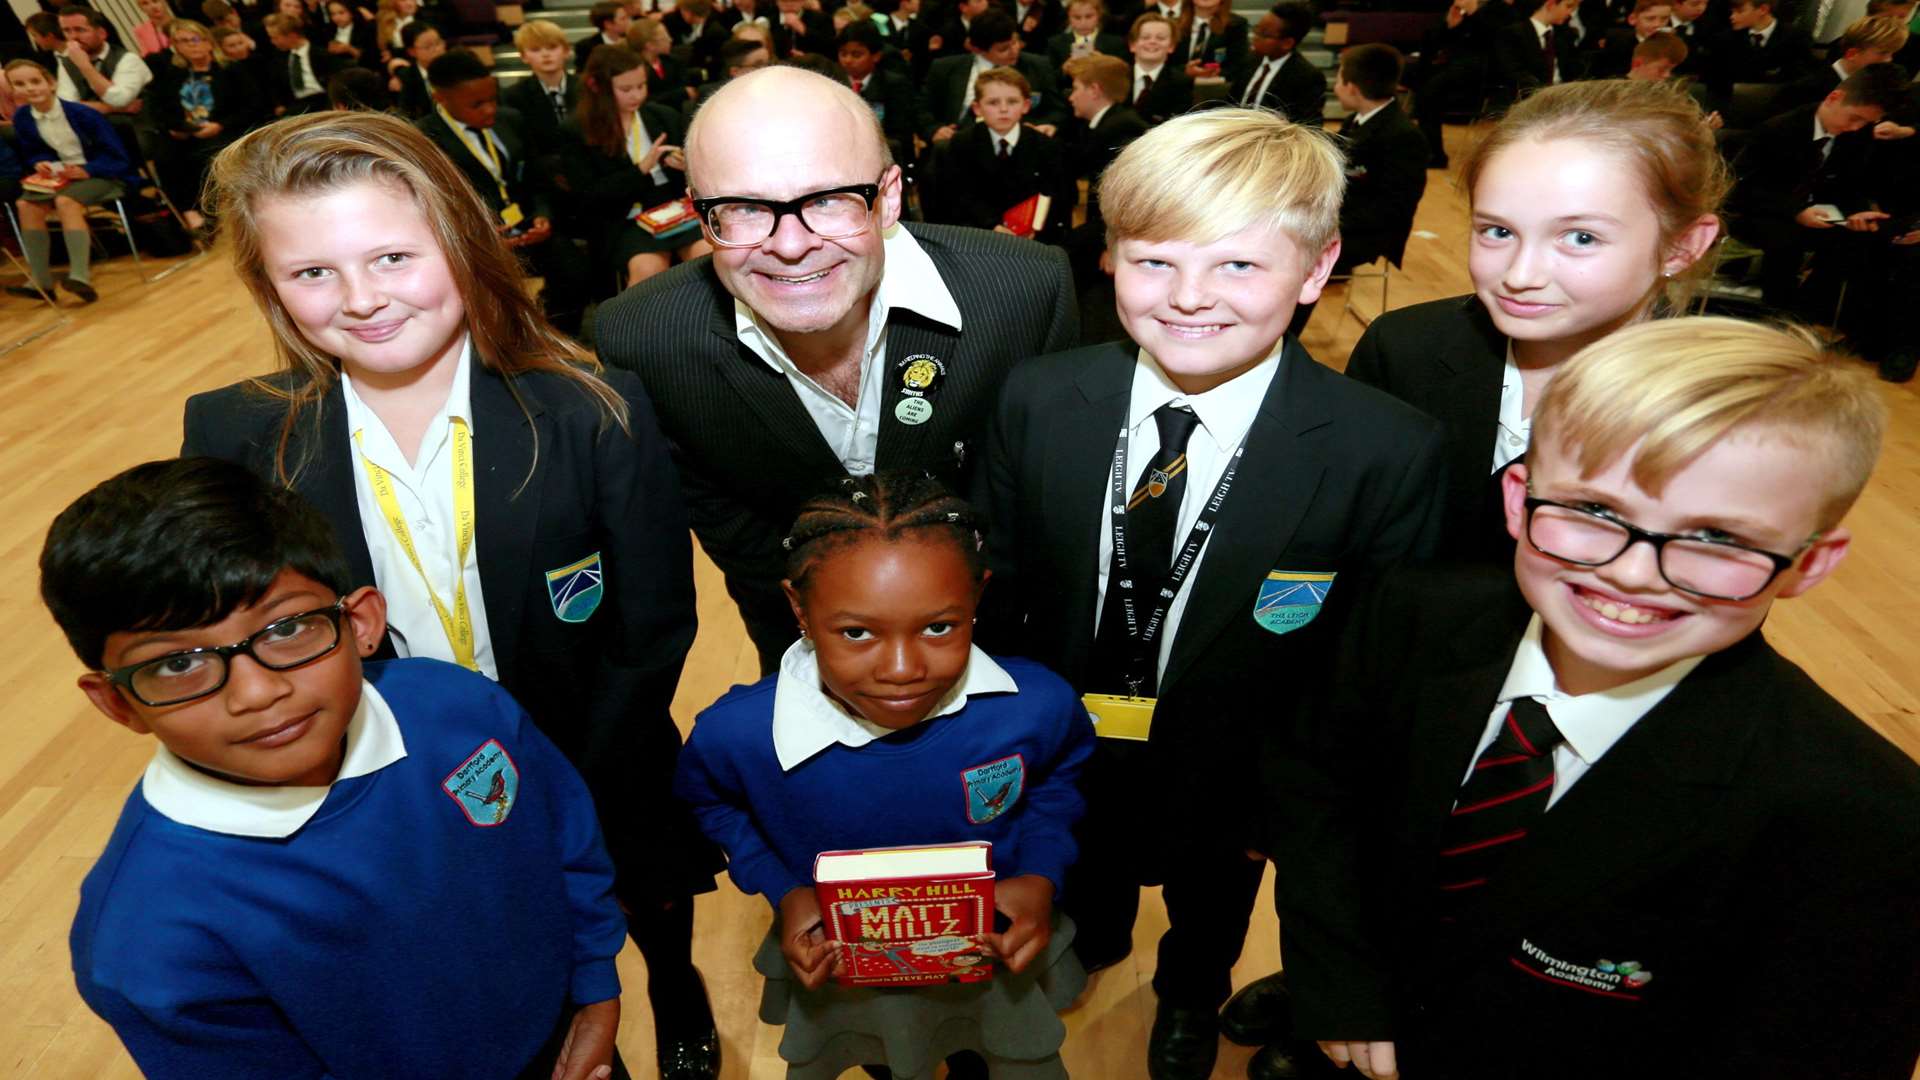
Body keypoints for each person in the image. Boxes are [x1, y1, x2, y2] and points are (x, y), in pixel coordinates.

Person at [178, 109, 724, 1080]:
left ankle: (676, 985)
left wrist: (565, 775)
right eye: (312, 273)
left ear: (463, 243)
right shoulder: (235, 435)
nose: (361, 299)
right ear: (269, 286)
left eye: (392, 256)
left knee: (640, 887)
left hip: (591, 743)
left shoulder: (593, 409)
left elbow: (652, 625)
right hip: (377, 783)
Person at [1301, 317, 1920, 1078]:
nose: (1632, 573)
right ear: (1518, 496)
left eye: (1719, 539)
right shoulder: (1411, 617)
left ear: (1809, 563)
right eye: (1595, 512)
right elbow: (1317, 785)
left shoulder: (1863, 823)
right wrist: (1340, 981)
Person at [978, 107, 1446, 1080]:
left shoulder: (1385, 451)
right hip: (1075, 727)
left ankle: (1190, 990)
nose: (1190, 298)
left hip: (1244, 763)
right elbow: (1007, 585)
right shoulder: (1037, 399)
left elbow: (1370, 664)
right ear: (1108, 258)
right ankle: (1094, 933)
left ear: (1316, 271)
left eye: (1238, 265)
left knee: (1211, 894)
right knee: (1090, 854)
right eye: (1156, 261)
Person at [43, 457, 629, 1080]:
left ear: (361, 622)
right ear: (116, 703)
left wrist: (595, 987)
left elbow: (564, 833)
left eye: (287, 627)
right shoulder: (146, 939)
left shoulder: (459, 707)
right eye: (178, 665)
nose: (255, 693)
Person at [597, 65, 1078, 678]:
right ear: (699, 213)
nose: (791, 245)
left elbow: (1035, 502)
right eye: (744, 207)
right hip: (800, 644)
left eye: (827, 201)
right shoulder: (643, 336)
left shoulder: (1025, 291)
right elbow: (721, 514)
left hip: (998, 643)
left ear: (891, 196)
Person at [674, 471, 1096, 1079]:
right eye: (856, 633)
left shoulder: (1035, 706)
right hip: (850, 971)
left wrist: (1039, 876)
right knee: (887, 1054)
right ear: (798, 607)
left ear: (977, 597)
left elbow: (1060, 780)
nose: (902, 669)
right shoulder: (735, 736)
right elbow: (713, 805)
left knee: (989, 1050)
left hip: (991, 951)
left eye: (938, 627)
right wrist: (784, 889)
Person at [1345, 79, 1725, 568]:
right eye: (1497, 231)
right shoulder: (1402, 349)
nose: (1520, 276)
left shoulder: (1719, 417)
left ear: (1683, 245)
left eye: (1581, 238)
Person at [420, 49, 590, 335]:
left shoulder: (511, 119)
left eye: (492, 100)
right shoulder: (427, 140)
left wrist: (541, 215)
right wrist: (481, 234)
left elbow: (536, 177)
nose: (490, 110)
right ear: (441, 99)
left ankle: (562, 339)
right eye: (477, 105)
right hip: (476, 241)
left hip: (526, 226)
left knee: (576, 273)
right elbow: (435, 207)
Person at [1722, 64, 1908, 316]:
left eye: (1865, 122)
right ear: (1834, 98)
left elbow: (1851, 185)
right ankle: (1776, 312)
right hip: (1766, 212)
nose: (1856, 127)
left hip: (1820, 213)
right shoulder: (1778, 130)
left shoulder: (1858, 136)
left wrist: (1856, 213)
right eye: (1854, 118)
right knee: (1788, 238)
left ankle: (1813, 312)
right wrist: (1796, 211)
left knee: (1863, 240)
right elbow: (1740, 190)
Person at [1285, 42, 1426, 337]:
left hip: (1368, 232)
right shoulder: (1357, 120)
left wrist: (1328, 224)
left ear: (1351, 87)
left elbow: (1393, 208)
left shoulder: (1401, 136)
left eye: (1338, 78)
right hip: (1343, 218)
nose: (1335, 84)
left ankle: (1286, 335)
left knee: (1297, 257)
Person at [560, 43, 710, 289]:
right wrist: (640, 170)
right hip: (625, 218)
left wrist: (685, 166)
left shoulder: (663, 115)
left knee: (708, 255)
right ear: (598, 87)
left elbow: (691, 177)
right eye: (626, 89)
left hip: (675, 211)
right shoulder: (578, 130)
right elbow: (588, 197)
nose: (637, 95)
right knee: (649, 269)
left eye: (641, 86)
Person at [5, 57, 140, 304]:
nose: (29, 88)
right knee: (25, 205)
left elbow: (119, 158)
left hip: (104, 175)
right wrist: (40, 162)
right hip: (62, 177)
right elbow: (34, 150)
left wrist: (87, 169)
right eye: (20, 84)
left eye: (35, 81)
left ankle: (80, 276)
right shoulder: (23, 117)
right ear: (13, 90)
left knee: (66, 202)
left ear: (52, 83)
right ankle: (41, 280)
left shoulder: (83, 114)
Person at [929, 65, 1076, 234]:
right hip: (978, 235)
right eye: (993, 102)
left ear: (1026, 105)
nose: (1004, 109)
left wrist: (1035, 229)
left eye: (1012, 101)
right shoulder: (960, 145)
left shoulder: (1047, 146)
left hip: (1032, 238)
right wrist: (992, 226)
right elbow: (958, 196)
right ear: (977, 108)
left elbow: (1057, 199)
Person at [152, 18, 261, 232]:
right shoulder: (173, 76)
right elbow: (161, 111)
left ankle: (216, 215)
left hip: (226, 129)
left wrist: (220, 125)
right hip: (188, 133)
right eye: (184, 41)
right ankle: (191, 214)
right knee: (164, 157)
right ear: (176, 47)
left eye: (196, 39)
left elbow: (252, 106)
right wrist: (178, 128)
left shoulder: (230, 70)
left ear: (209, 42)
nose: (192, 45)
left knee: (207, 154)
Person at [1772, 13, 1909, 110]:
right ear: (1852, 54)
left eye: (1892, 53)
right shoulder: (1809, 88)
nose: (1889, 60)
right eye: (1883, 53)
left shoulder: (1872, 84)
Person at [54, 5, 154, 115]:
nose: (73, 37)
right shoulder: (67, 62)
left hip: (137, 128)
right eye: (67, 31)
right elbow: (66, 106)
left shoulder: (128, 59)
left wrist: (85, 66)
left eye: (80, 30)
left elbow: (118, 100)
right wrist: (110, 108)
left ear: (102, 33)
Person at [500, 18, 578, 159]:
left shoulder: (587, 88)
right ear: (524, 56)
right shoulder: (513, 96)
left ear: (566, 51)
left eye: (552, 47)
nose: (545, 54)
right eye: (535, 49)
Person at [1232, 2, 1321, 122]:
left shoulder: (1307, 77)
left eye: (1264, 34)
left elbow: (1306, 124)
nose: (1255, 36)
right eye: (1257, 29)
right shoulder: (1249, 60)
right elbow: (1230, 101)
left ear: (1287, 43)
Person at [1491, 0, 1583, 105]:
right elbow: (1514, 74)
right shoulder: (1513, 34)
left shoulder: (1564, 35)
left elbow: (1575, 70)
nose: (1570, 13)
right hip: (1529, 101)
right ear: (1551, 5)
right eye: (1568, 6)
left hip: (1564, 99)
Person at [264, 11, 342, 114]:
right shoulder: (280, 59)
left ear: (292, 35)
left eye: (275, 38)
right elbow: (275, 86)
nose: (272, 42)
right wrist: (279, 104)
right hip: (296, 105)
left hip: (324, 100)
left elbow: (336, 81)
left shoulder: (322, 55)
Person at [1126, 11, 1191, 124]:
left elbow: (1177, 123)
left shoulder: (1181, 83)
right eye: (1145, 37)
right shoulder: (1117, 77)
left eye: (1160, 38)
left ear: (1171, 46)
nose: (1152, 42)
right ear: (1132, 45)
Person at [1046, 0, 1127, 78]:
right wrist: (1064, 70)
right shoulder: (1056, 43)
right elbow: (1048, 78)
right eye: (1077, 17)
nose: (1083, 22)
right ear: (1069, 18)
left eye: (1089, 17)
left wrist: (1104, 63)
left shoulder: (1115, 43)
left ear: (1099, 15)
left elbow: (1124, 74)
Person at [1170, 0, 1248, 78]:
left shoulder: (1236, 25)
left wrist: (1214, 73)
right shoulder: (1172, 24)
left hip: (1216, 86)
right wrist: (1184, 71)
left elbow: (1238, 64)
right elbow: (1165, 64)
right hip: (1176, 85)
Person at [575, 0, 631, 72]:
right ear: (608, 24)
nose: (628, 22)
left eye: (627, 17)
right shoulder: (586, 47)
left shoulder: (632, 42)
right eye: (623, 19)